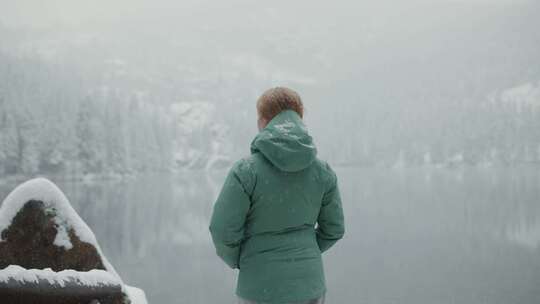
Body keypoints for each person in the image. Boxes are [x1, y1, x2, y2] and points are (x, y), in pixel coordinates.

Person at [209, 87, 345, 304]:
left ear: (263, 122)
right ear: (299, 118)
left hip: (260, 287)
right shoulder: (322, 172)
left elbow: (223, 230)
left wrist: (244, 259)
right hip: (309, 286)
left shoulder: (246, 171)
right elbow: (334, 229)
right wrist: (304, 250)